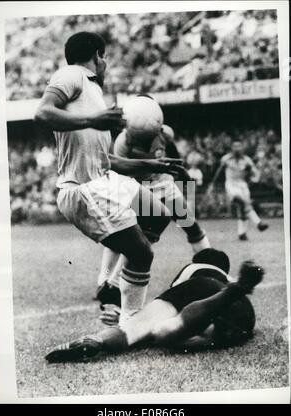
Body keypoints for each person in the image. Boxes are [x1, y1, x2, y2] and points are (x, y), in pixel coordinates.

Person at [34, 32, 182, 326]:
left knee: (158, 215)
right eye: (105, 58)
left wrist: (151, 163)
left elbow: (106, 161)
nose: (106, 64)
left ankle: (111, 287)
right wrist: (94, 120)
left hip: (104, 178)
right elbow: (42, 113)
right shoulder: (72, 74)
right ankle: (128, 320)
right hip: (83, 189)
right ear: (98, 56)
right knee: (141, 252)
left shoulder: (93, 92)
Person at [45, 248, 264, 363]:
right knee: (172, 334)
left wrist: (134, 323)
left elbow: (167, 305)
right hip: (243, 314)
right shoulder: (225, 275)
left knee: (144, 327)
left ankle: (97, 340)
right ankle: (231, 293)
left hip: (202, 291)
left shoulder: (193, 269)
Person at [96, 116, 210, 305]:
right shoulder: (123, 142)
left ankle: (211, 268)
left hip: (166, 187)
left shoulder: (164, 134)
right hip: (143, 190)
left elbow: (176, 162)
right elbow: (121, 172)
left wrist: (186, 184)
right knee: (134, 239)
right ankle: (107, 281)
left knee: (191, 226)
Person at [207, 141, 269, 240]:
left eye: (239, 146)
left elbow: (255, 174)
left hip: (243, 185)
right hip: (231, 184)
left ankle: (242, 233)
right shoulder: (226, 159)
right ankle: (258, 223)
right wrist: (212, 183)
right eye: (235, 146)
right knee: (242, 201)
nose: (237, 148)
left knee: (243, 209)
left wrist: (253, 178)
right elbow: (218, 172)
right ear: (231, 148)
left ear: (242, 148)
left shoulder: (247, 160)